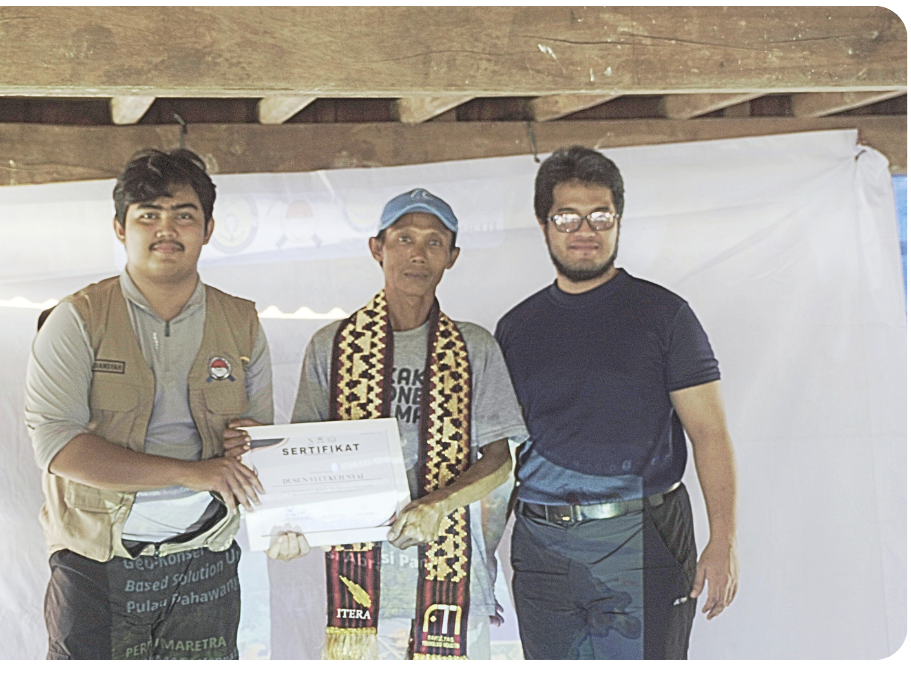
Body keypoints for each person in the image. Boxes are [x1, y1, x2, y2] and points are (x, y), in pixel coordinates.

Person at [24, 148, 272, 660]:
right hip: (96, 558)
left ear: (208, 229)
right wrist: (189, 473)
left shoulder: (242, 321)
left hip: (205, 555)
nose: (167, 229)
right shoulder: (77, 319)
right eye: (148, 215)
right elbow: (57, 446)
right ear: (120, 228)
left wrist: (247, 441)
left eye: (184, 215)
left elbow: (260, 436)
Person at [495, 146, 739, 660]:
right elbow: (502, 449)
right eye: (567, 217)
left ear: (618, 221)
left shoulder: (664, 315)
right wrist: (483, 549)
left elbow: (710, 434)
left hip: (641, 537)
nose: (585, 230)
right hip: (540, 548)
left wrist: (724, 540)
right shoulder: (516, 328)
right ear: (544, 225)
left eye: (600, 216)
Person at [270, 188, 528, 659]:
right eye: (404, 238)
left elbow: (499, 459)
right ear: (377, 248)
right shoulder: (332, 345)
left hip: (453, 579)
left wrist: (439, 503)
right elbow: (302, 459)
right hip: (355, 585)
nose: (418, 254)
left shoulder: (474, 346)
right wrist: (287, 522)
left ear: (452, 257)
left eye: (434, 242)